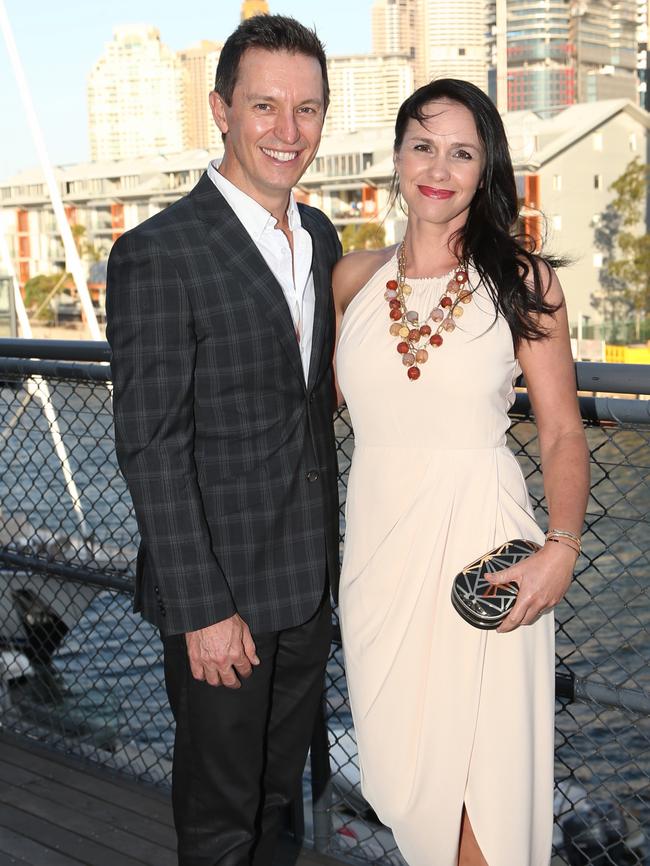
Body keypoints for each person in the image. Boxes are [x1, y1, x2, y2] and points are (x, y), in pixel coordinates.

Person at [333, 78, 590, 866]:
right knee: (408, 794)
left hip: (484, 559)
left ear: (486, 170)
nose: (439, 167)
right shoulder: (350, 281)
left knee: (483, 794)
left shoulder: (523, 282)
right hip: (378, 562)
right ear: (398, 159)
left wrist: (561, 547)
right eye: (423, 145)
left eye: (462, 151)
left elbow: (561, 435)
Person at [106, 15, 341, 865]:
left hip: (308, 588)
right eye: (265, 106)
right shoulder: (157, 253)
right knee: (217, 819)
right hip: (223, 603)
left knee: (282, 804)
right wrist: (203, 609)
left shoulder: (319, 238)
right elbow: (151, 446)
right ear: (222, 110)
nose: (289, 132)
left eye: (308, 109)